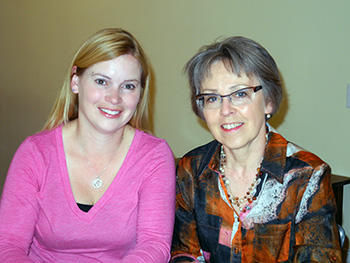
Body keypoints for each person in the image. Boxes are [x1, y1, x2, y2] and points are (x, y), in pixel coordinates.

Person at [0, 28, 175, 262]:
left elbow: (154, 245)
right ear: (75, 82)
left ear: (140, 93)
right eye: (102, 81)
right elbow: (9, 244)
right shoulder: (35, 153)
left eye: (129, 86)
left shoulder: (155, 156)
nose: (114, 98)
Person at [171, 36, 342, 262]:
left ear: (269, 101)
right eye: (212, 98)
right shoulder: (191, 169)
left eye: (240, 94)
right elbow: (183, 253)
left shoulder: (307, 176)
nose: (225, 110)